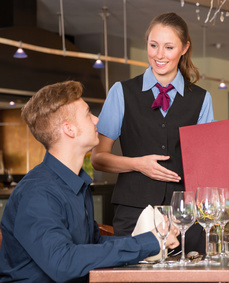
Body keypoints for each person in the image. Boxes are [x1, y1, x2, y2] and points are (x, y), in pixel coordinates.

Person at [0, 81, 179, 283]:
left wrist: (153, 237)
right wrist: (146, 242)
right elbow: (63, 263)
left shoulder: (75, 184)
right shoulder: (37, 193)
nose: (96, 120)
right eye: (88, 114)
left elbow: (92, 243)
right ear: (69, 130)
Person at [91, 12, 214, 253]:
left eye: (169, 47)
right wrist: (138, 164)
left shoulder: (201, 99)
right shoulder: (121, 92)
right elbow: (98, 158)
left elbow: (206, 165)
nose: (159, 55)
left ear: (184, 48)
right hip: (134, 213)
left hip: (187, 218)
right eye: (153, 45)